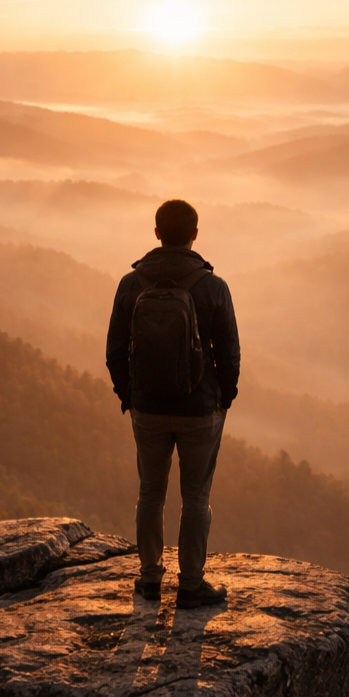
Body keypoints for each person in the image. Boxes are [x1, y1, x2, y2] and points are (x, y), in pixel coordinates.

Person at [106, 199, 240, 609]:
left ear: (157, 233)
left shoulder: (131, 284)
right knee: (196, 498)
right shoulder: (213, 287)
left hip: (147, 408)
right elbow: (229, 354)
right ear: (195, 235)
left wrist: (130, 396)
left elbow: (114, 351)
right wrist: (222, 400)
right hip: (200, 410)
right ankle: (191, 584)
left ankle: (149, 580)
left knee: (150, 493)